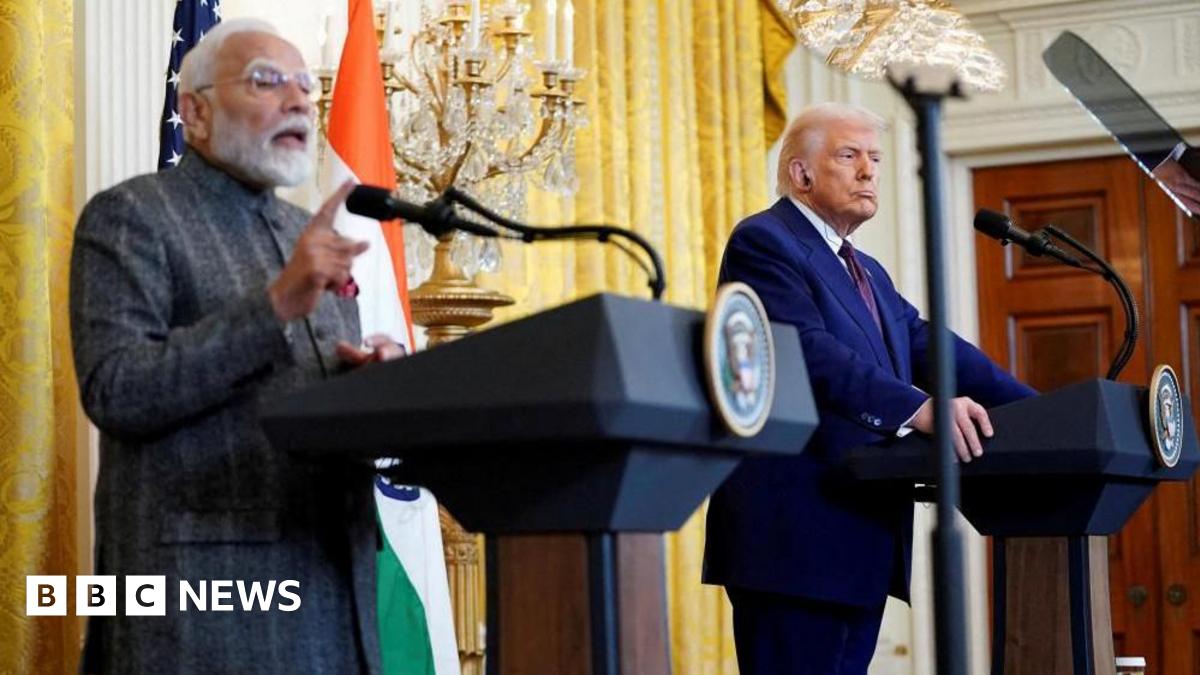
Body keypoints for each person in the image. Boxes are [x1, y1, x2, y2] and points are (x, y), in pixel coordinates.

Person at [70, 19, 399, 673]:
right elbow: (118, 390)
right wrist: (274, 304)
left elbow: (298, 405)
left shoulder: (311, 232)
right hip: (206, 620)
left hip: (337, 594)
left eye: (305, 86)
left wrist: (372, 389)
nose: (300, 100)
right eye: (266, 81)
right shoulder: (134, 216)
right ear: (194, 112)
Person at [702, 103, 1037, 674]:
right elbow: (805, 349)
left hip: (858, 533)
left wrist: (1040, 411)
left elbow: (932, 346)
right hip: (794, 539)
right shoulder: (764, 241)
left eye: (875, 159)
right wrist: (918, 409)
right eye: (849, 155)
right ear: (801, 174)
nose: (868, 172)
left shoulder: (867, 270)